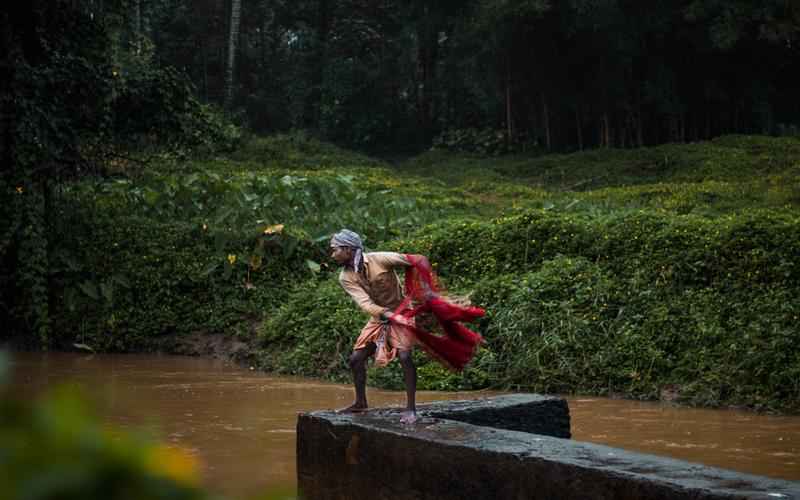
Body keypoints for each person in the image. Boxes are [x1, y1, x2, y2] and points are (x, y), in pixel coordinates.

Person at [329, 229, 422, 424]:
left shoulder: (381, 259)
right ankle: (360, 402)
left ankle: (411, 409)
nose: (333, 254)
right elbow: (365, 304)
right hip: (380, 316)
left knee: (405, 356)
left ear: (347, 249)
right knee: (356, 359)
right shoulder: (345, 277)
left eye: (335, 249)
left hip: (403, 311)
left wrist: (421, 289)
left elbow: (417, 260)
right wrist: (388, 315)